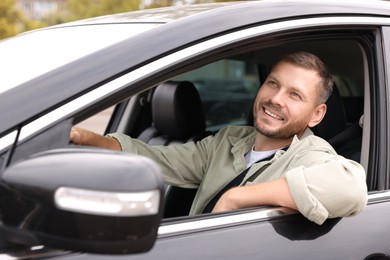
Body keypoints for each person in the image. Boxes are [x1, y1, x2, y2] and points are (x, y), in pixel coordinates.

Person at [70, 51, 368, 225]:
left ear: (316, 115)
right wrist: (83, 138)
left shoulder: (312, 155)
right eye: (272, 83)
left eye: (295, 95)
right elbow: (157, 159)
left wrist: (234, 198)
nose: (275, 99)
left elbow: (351, 186)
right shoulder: (229, 139)